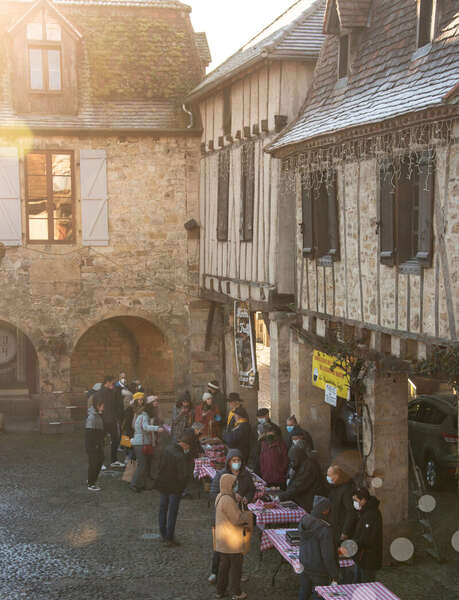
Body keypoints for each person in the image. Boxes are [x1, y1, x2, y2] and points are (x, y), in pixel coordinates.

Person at [208, 449, 256, 584]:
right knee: (220, 547)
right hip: (223, 518)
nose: (236, 463)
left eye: (238, 460)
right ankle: (215, 572)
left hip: (239, 516)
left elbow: (252, 490)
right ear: (228, 462)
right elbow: (213, 493)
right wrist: (231, 496)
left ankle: (237, 573)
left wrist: (247, 498)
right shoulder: (222, 475)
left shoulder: (246, 475)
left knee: (238, 547)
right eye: (233, 460)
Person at [214, 473, 253, 600]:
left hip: (222, 539)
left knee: (223, 566)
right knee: (236, 567)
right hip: (232, 540)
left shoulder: (220, 496)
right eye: (234, 484)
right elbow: (237, 519)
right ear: (229, 485)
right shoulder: (228, 500)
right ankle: (236, 592)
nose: (236, 486)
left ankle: (220, 591)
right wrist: (248, 515)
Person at [154, 430, 194, 546]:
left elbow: (160, 465)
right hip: (175, 487)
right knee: (172, 511)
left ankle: (163, 533)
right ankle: (169, 537)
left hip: (164, 484)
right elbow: (183, 475)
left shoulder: (167, 449)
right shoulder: (181, 456)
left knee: (163, 508)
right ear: (185, 445)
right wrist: (183, 487)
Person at [298, 496, 340, 600]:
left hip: (304, 563)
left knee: (304, 590)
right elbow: (328, 555)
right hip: (319, 569)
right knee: (319, 595)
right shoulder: (325, 529)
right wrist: (334, 574)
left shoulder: (304, 519)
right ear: (325, 511)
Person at [278, 445, 326, 512]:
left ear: (299, 456)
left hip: (310, 500)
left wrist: (281, 497)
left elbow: (299, 485)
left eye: (293, 459)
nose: (292, 461)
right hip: (305, 499)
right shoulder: (303, 463)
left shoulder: (309, 466)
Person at [129, 401, 164, 492]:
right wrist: (157, 428)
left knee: (142, 465)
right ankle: (134, 484)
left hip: (138, 442)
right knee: (142, 465)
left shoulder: (140, 415)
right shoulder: (144, 416)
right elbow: (145, 427)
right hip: (141, 443)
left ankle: (139, 484)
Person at [351, 487, 383, 583]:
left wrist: (351, 544)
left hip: (368, 558)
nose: (355, 503)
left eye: (356, 500)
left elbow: (367, 538)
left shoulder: (371, 514)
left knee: (366, 584)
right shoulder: (365, 512)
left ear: (364, 500)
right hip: (362, 557)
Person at [95, 375, 125, 468]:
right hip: (103, 421)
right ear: (107, 382)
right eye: (112, 382)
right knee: (101, 442)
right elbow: (98, 407)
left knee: (115, 439)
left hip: (111, 420)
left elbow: (115, 405)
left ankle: (114, 460)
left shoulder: (111, 392)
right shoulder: (101, 393)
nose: (114, 384)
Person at [326, 465, 357, 545]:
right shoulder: (335, 487)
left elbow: (351, 512)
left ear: (336, 476)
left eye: (329, 475)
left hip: (341, 528)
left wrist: (345, 532)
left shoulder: (346, 490)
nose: (327, 477)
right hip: (334, 526)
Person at [85, 395, 105, 491]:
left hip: (97, 445)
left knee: (98, 461)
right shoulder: (92, 417)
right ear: (98, 405)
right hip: (93, 446)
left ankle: (91, 480)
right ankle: (91, 483)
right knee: (95, 463)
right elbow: (90, 434)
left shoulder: (97, 415)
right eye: (102, 406)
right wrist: (96, 445)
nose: (103, 407)